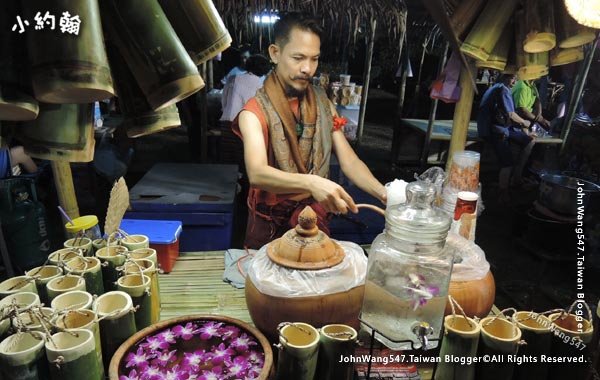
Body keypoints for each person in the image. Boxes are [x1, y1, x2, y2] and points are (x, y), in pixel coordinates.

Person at [233, 12, 386, 249]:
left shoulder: (324, 104)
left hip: (314, 220)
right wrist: (312, 183)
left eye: (314, 59)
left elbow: (349, 162)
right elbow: (257, 173)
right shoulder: (254, 112)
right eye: (298, 57)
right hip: (270, 226)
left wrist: (385, 194)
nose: (307, 68)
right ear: (275, 53)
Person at [477, 74, 533, 202]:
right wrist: (525, 123)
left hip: (493, 127)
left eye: (516, 78)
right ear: (504, 77)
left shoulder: (496, 87)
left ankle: (516, 178)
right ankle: (503, 193)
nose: (514, 81)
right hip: (495, 130)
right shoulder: (503, 90)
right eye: (512, 78)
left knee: (528, 140)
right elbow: (511, 114)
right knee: (507, 163)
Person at [220, 54, 271, 122]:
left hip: (227, 121)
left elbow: (224, 100)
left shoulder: (232, 78)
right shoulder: (261, 86)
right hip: (246, 124)